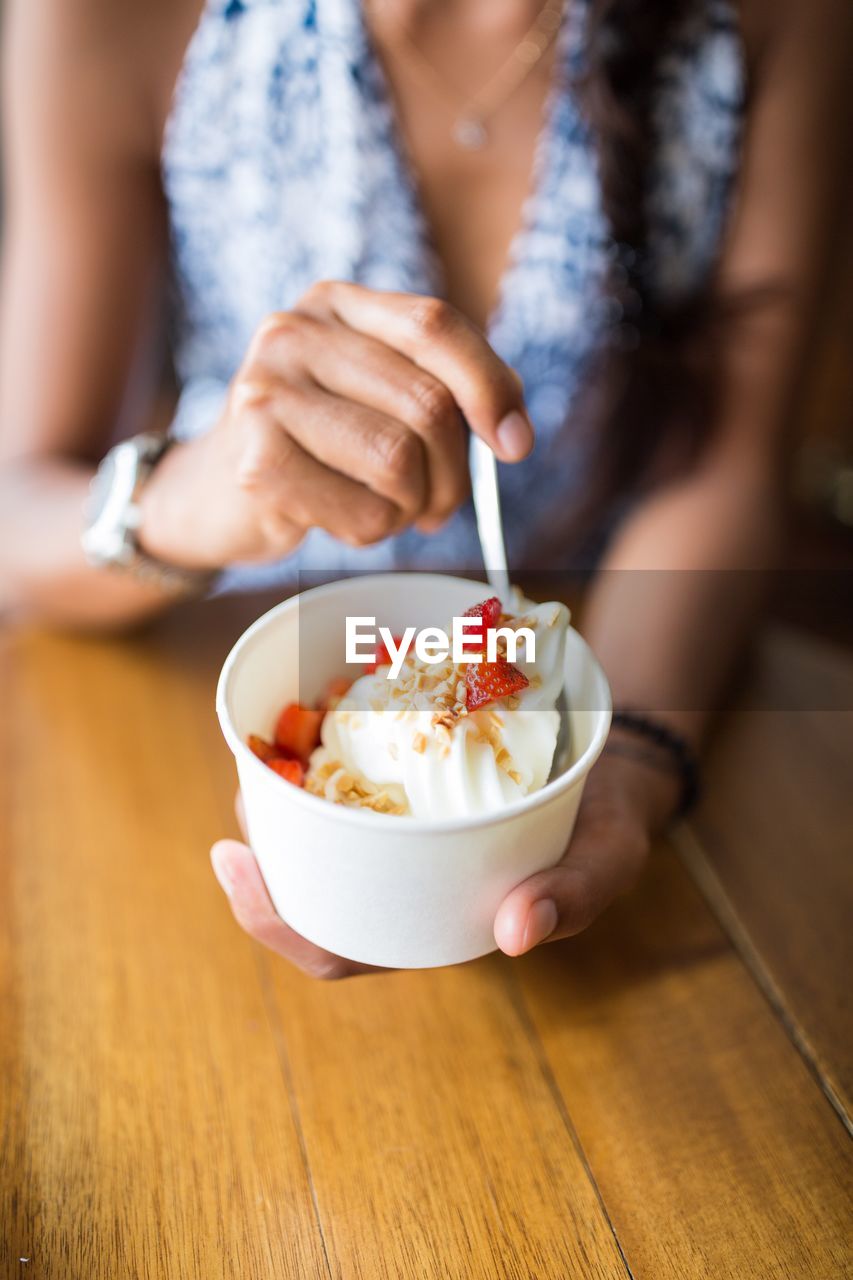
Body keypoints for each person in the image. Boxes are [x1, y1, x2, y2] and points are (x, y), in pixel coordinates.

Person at [1, 0, 848, 974]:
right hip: (197, 739)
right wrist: (193, 493)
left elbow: (728, 466)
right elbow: (17, 514)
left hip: (625, 680)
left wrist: (631, 753)